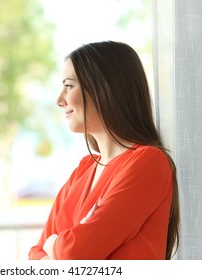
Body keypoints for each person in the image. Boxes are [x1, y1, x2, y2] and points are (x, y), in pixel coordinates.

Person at [28, 41, 180, 260]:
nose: (59, 100)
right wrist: (57, 248)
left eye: (69, 86)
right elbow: (35, 253)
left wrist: (55, 244)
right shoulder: (84, 169)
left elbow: (76, 253)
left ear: (105, 89)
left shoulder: (149, 162)